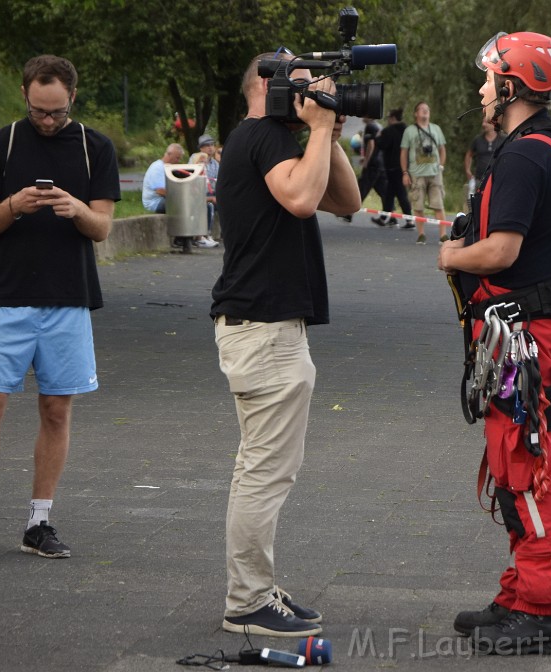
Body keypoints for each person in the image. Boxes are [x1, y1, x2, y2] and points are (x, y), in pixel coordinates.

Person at [438, 31, 551, 656]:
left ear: (510, 86)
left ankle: (540, 609)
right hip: (540, 329)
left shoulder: (523, 156)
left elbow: (501, 251)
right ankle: (518, 591)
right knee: (517, 460)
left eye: (488, 79)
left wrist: (451, 254)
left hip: (530, 334)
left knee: (528, 463)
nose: (482, 90)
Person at [0, 55, 120, 563]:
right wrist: (13, 206)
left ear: (72, 100)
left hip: (69, 297)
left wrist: (76, 208)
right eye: (40, 111)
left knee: (56, 409)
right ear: (24, 95)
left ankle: (39, 522)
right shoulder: (2, 145)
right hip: (7, 295)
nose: (48, 121)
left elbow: (103, 227)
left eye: (57, 112)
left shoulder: (94, 147)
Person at [210, 50, 360, 637]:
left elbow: (345, 202)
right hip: (263, 330)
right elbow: (301, 200)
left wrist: (329, 134)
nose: (313, 96)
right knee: (264, 473)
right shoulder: (262, 137)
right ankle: (247, 601)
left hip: (267, 328)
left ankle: (255, 589)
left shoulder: (271, 139)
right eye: (304, 87)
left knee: (265, 468)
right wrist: (316, 130)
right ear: (266, 88)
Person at [400, 101, 447, 243]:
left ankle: (443, 235)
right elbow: (404, 153)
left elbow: (442, 149)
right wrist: (405, 172)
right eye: (422, 109)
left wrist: (441, 166)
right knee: (417, 205)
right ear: (416, 114)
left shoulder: (436, 129)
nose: (425, 111)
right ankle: (421, 234)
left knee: (438, 205)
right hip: (417, 173)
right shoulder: (409, 131)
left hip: (434, 173)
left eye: (427, 109)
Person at [373, 108, 411, 227]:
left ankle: (409, 220)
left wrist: (378, 136)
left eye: (389, 118)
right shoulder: (406, 130)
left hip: (392, 166)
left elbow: (382, 144)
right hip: (403, 166)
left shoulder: (389, 131)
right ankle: (384, 217)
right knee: (389, 193)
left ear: (393, 118)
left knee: (401, 194)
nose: (388, 120)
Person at [463, 118, 505, 208]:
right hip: (479, 179)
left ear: (493, 124)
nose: (483, 124)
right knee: (476, 205)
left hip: (497, 179)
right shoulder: (478, 140)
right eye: (483, 122)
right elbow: (469, 155)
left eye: (486, 122)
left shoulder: (503, 139)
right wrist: (467, 170)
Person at [189, 151, 220, 248]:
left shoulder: (203, 176)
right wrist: (210, 198)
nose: (203, 164)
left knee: (210, 206)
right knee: (206, 206)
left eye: (204, 162)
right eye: (200, 162)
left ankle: (207, 235)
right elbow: (194, 196)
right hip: (192, 201)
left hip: (200, 200)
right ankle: (199, 238)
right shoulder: (192, 175)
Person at [142, 143, 184, 214]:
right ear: (169, 154)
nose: (178, 161)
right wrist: (180, 196)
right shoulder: (157, 168)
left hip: (162, 200)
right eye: (177, 158)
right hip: (154, 203)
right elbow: (160, 191)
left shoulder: (168, 167)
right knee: (184, 204)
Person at [356, 115, 387, 206]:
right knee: (384, 190)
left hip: (372, 163)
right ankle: (390, 214)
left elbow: (371, 144)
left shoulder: (370, 126)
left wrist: (366, 161)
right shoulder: (379, 126)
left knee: (362, 187)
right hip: (380, 163)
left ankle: (349, 212)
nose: (362, 116)